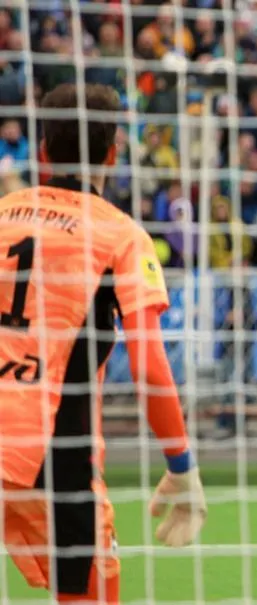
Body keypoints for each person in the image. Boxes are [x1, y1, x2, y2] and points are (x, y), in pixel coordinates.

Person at [0, 83, 207, 604]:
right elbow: (150, 368)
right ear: (113, 154)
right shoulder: (119, 235)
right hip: (53, 453)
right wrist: (181, 466)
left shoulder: (2, 214)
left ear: (42, 152)